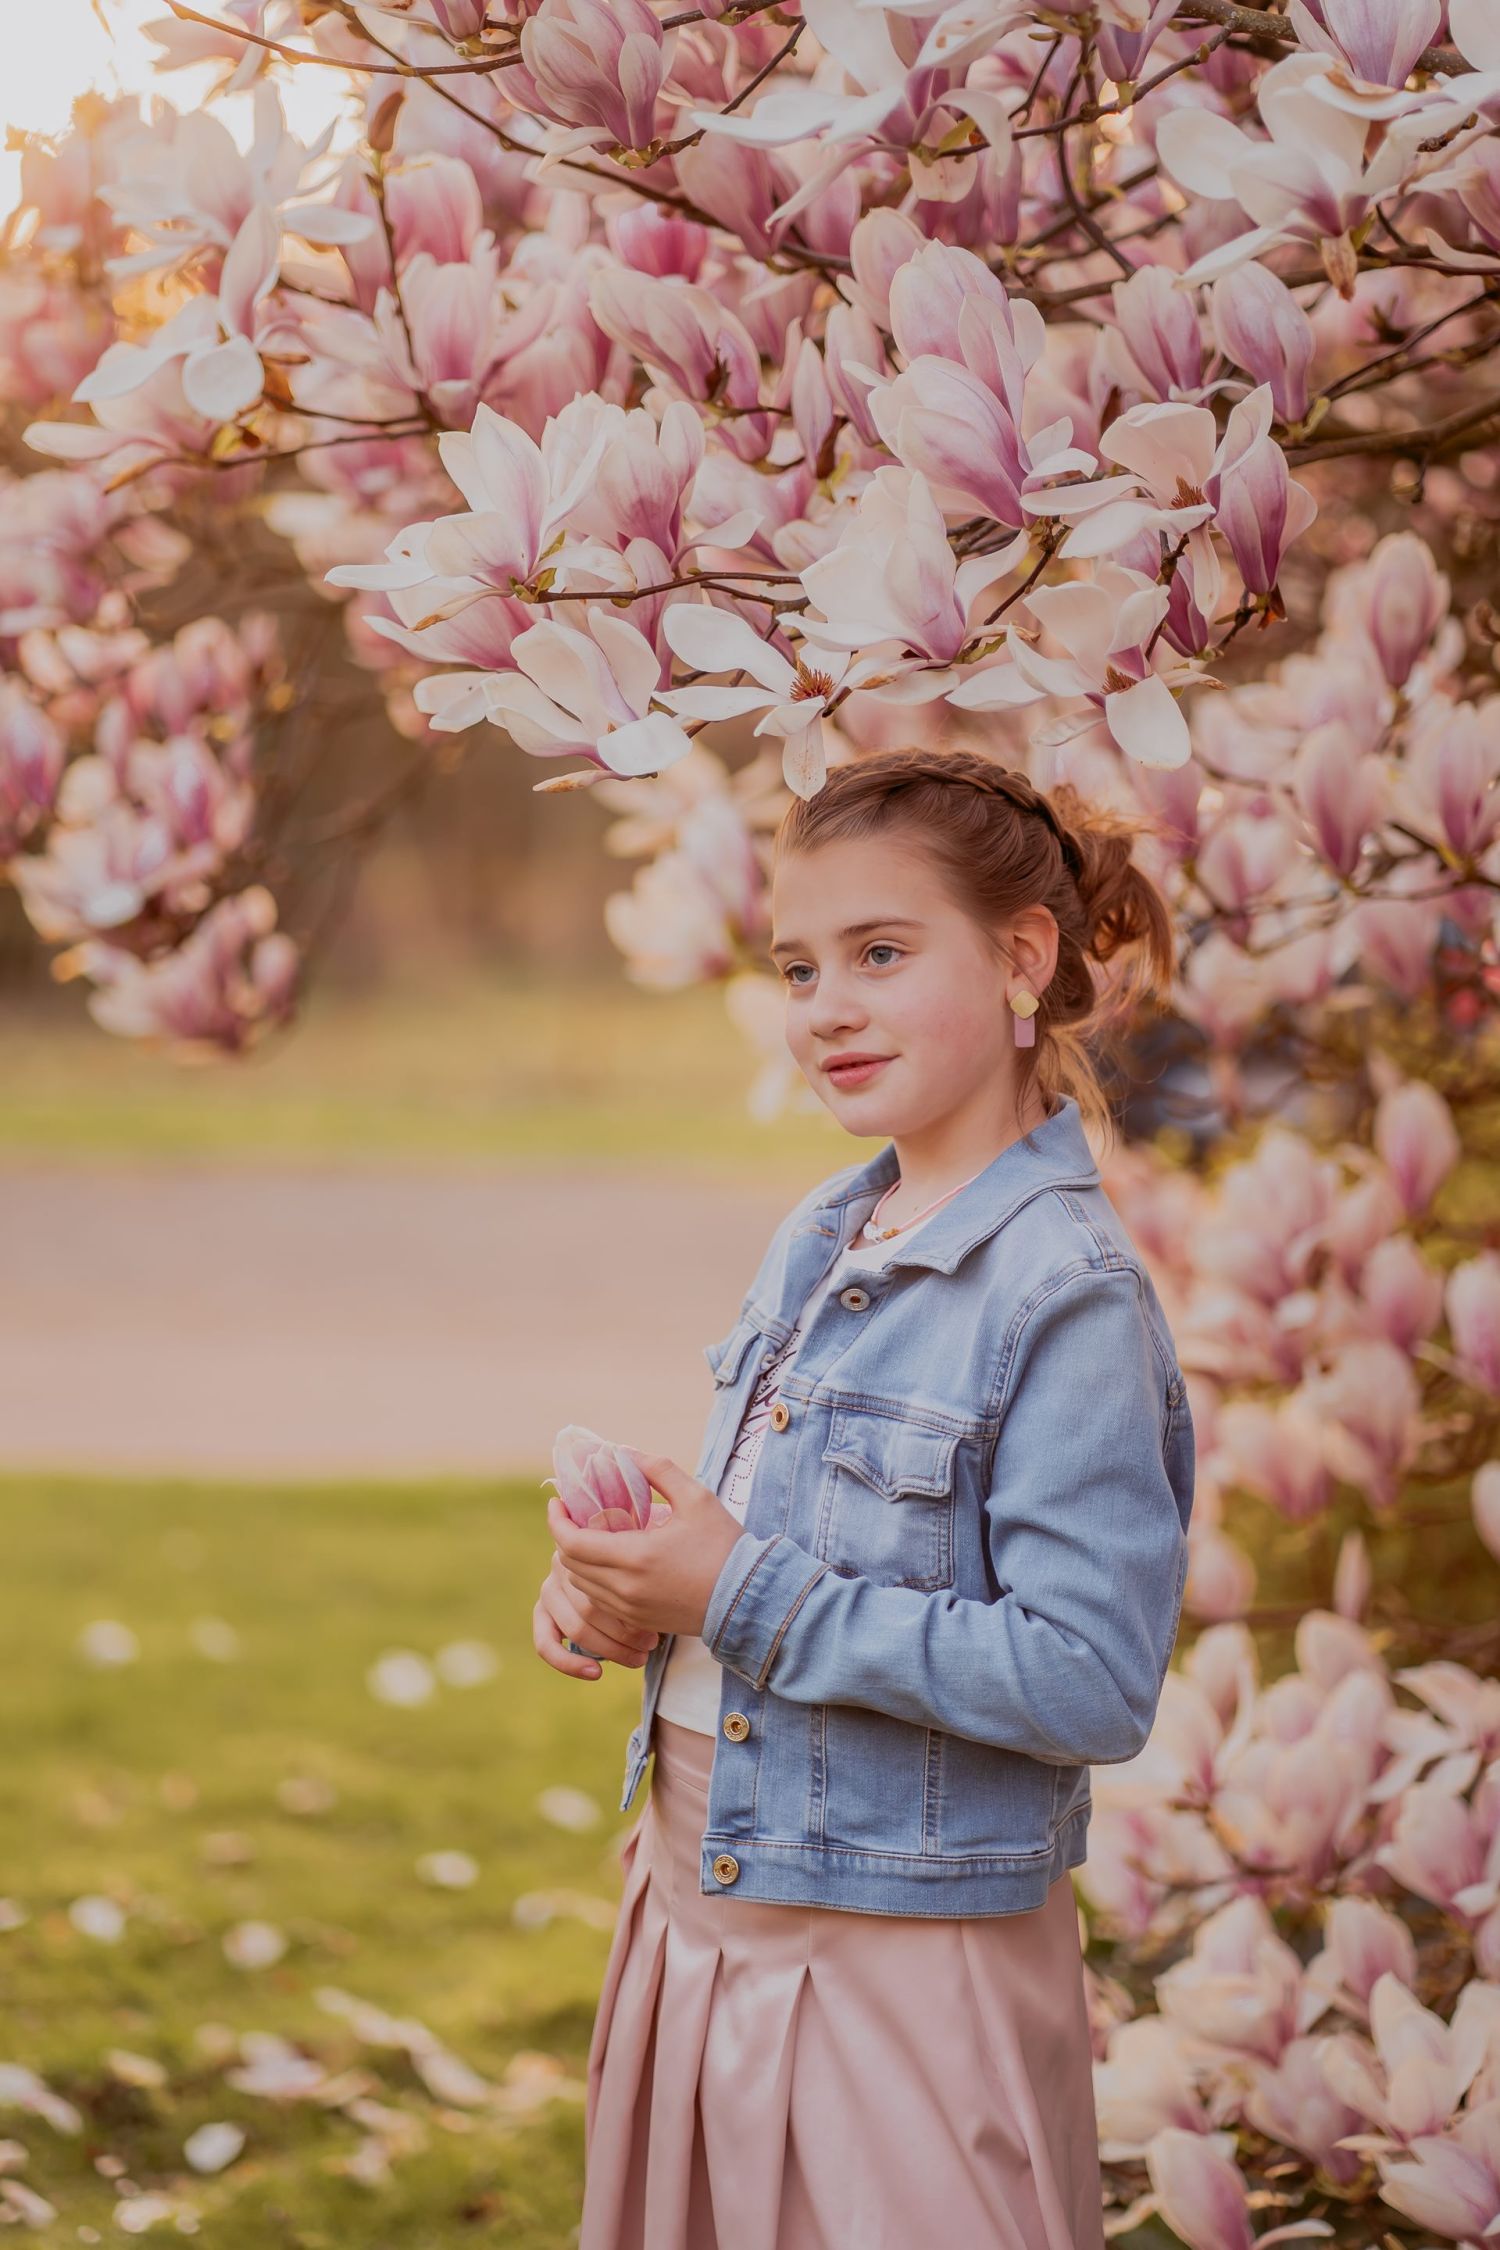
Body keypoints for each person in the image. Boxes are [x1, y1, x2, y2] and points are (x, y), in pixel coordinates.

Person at [533, 745, 1195, 2250]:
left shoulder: (1065, 1297)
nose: (825, 1004)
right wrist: (629, 1586)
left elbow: (1088, 1676)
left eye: (881, 954)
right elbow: (768, 1548)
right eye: (798, 965)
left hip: (897, 1955)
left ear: (1025, 958)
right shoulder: (827, 1230)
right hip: (703, 1910)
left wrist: (734, 1594)